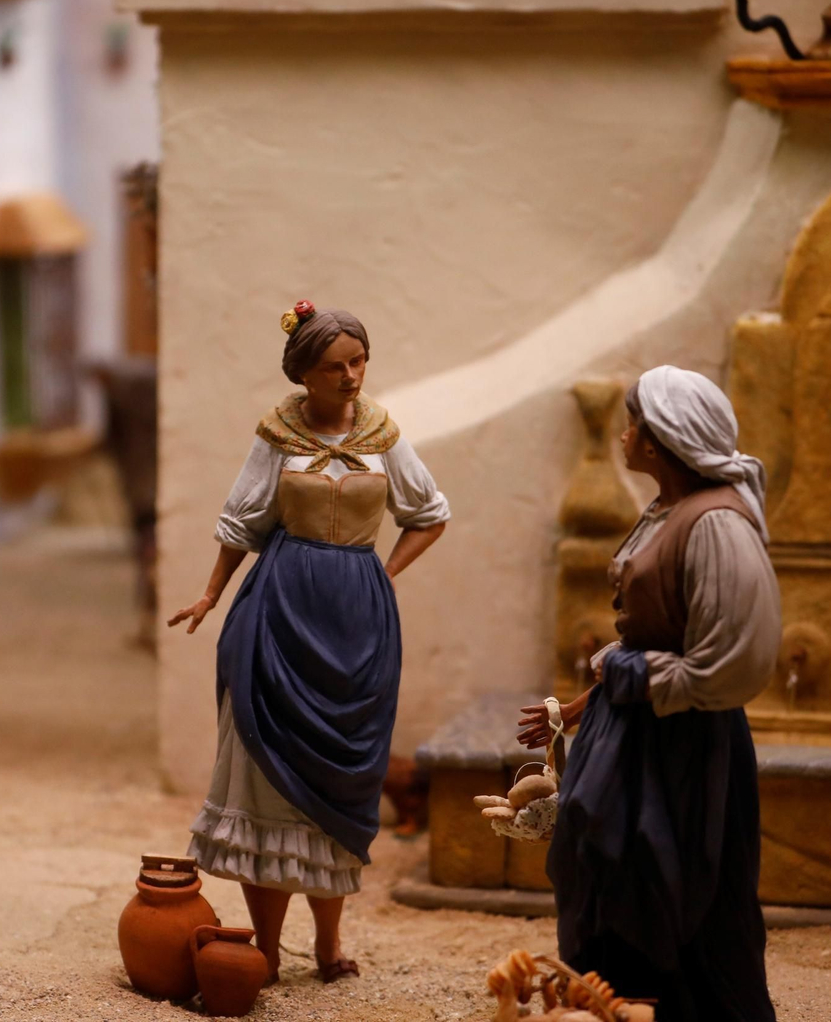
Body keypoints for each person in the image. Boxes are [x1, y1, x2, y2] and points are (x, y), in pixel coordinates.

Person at [169, 301, 449, 986]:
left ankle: (328, 944)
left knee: (341, 772)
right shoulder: (278, 434)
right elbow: (242, 522)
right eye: (334, 367)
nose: (351, 377)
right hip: (279, 609)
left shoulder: (382, 433)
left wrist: (381, 575)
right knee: (266, 767)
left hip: (356, 617)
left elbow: (429, 513)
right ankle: (265, 946)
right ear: (304, 374)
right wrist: (210, 593)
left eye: (359, 362)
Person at [518, 365, 780, 1022]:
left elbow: (733, 664)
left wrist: (635, 680)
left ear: (660, 440)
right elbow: (645, 642)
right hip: (636, 730)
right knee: (603, 867)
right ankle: (613, 1003)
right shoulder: (668, 509)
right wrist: (584, 706)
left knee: (668, 879)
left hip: (681, 743)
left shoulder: (716, 524)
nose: (625, 433)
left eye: (634, 423)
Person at [92, 357, 158, 649]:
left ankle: (150, 619)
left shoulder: (121, 392)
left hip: (143, 488)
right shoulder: (144, 387)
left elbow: (110, 439)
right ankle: (149, 620)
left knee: (149, 552)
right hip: (147, 484)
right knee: (150, 552)